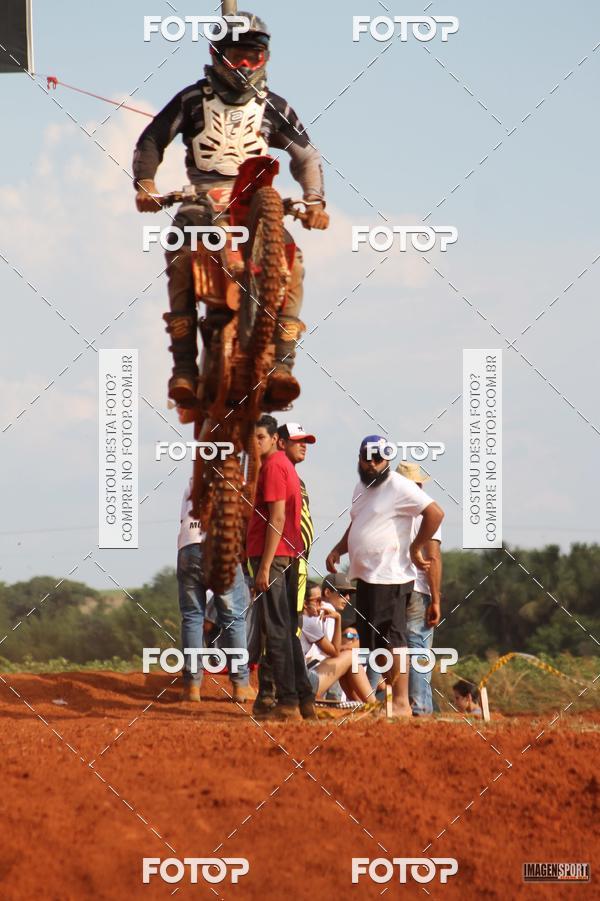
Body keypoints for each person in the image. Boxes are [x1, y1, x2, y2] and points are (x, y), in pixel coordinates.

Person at [133, 12, 329, 408]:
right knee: (182, 255)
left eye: (252, 57)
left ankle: (282, 366)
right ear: (217, 54)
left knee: (294, 262)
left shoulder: (275, 107)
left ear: (265, 59)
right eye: (236, 55)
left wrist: (314, 201)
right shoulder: (191, 100)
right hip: (200, 199)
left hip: (256, 203)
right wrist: (147, 186)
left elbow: (306, 156)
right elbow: (152, 140)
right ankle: (184, 369)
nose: (243, 66)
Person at [326, 436, 444, 717]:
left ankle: (403, 703)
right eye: (367, 457)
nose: (371, 463)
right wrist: (338, 549)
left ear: (387, 461)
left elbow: (435, 514)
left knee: (395, 640)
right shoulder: (360, 488)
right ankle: (387, 702)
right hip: (366, 576)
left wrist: (416, 547)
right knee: (375, 643)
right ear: (359, 457)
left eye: (378, 458)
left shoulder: (399, 485)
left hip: (390, 575)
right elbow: (357, 523)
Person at [246, 415, 315, 720]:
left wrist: (263, 568)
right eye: (253, 438)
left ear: (275, 439)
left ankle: (287, 703)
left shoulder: (273, 466)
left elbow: (276, 518)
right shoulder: (286, 467)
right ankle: (304, 698)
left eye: (261, 437)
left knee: (275, 630)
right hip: (288, 556)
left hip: (272, 557)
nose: (256, 443)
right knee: (286, 631)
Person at [177, 477, 254, 703]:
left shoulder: (193, 478)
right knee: (234, 617)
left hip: (188, 545)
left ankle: (192, 686)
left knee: (192, 617)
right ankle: (241, 685)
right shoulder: (233, 477)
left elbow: (183, 518)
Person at [397, 461, 443, 717]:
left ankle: (399, 702)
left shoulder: (392, 510)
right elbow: (433, 557)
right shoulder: (428, 512)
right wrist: (436, 598)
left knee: (394, 645)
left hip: (394, 585)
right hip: (419, 588)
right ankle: (420, 706)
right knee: (418, 647)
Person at [301, 583, 373, 703]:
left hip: (295, 681)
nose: (321, 605)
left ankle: (358, 703)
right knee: (351, 656)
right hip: (305, 685)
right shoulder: (308, 623)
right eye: (318, 601)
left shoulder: (295, 620)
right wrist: (338, 618)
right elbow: (334, 651)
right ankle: (371, 703)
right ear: (304, 604)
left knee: (349, 659)